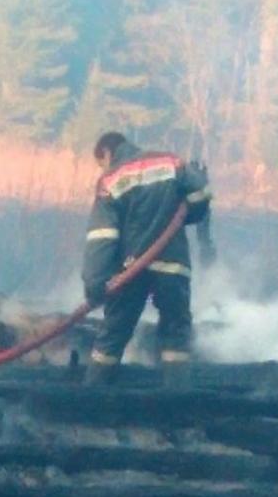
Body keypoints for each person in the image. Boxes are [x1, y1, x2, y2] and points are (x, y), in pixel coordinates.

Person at [81, 131, 212, 387]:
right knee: (175, 332)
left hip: (129, 272)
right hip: (173, 267)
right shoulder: (170, 163)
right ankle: (175, 404)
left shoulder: (111, 180)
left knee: (113, 335)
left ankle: (91, 397)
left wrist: (94, 283)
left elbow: (101, 237)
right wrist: (188, 211)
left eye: (101, 163)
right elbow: (200, 194)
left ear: (107, 153)